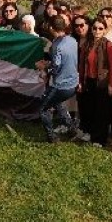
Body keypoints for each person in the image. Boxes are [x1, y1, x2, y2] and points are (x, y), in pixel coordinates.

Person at [37, 15, 80, 143]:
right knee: (57, 103)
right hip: (73, 84)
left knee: (43, 108)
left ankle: (52, 137)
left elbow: (56, 67)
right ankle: (71, 128)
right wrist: (48, 63)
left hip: (61, 85)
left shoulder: (57, 45)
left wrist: (44, 69)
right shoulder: (72, 40)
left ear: (51, 27)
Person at [77, 15, 112, 146]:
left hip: (102, 82)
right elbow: (81, 64)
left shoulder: (108, 45)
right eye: (94, 28)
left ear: (105, 30)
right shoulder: (87, 44)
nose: (97, 31)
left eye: (100, 28)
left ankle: (100, 139)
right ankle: (91, 133)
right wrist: (80, 81)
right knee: (90, 109)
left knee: (102, 111)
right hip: (89, 81)